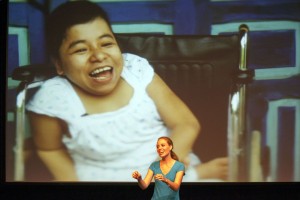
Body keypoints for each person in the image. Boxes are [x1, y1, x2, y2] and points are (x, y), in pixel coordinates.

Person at [26, 0, 227, 181]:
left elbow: (185, 123)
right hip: (100, 176)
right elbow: (49, 149)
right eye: (80, 49)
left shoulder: (136, 72)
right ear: (59, 65)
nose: (98, 55)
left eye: (106, 43)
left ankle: (199, 174)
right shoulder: (52, 98)